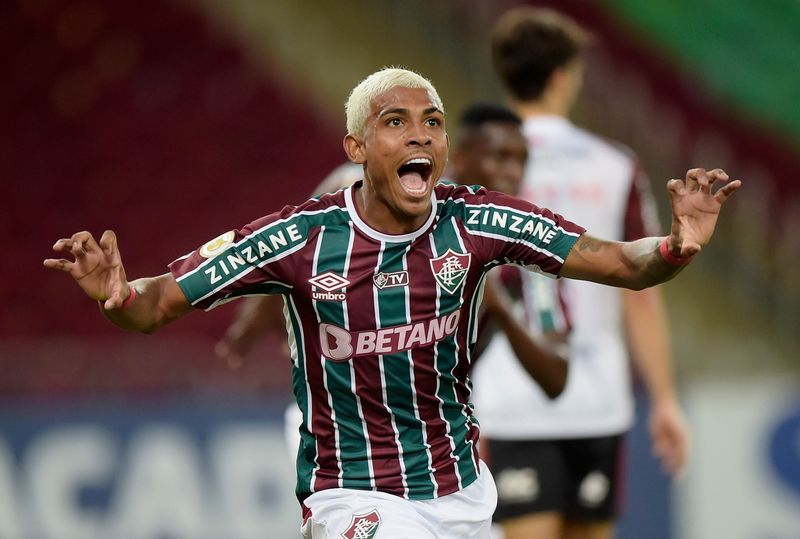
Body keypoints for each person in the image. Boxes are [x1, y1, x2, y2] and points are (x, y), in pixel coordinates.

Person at [44, 67, 740, 538]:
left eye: (432, 122)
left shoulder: (478, 220)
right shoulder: (299, 237)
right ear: (357, 146)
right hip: (351, 492)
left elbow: (621, 262)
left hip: (461, 492)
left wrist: (676, 246)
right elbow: (157, 303)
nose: (420, 134)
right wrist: (117, 296)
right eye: (396, 121)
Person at [216, 102, 568, 461]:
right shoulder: (402, 205)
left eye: (521, 161)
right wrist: (257, 314)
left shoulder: (521, 246)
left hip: (440, 431)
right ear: (459, 159)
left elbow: (556, 379)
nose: (513, 174)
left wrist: (500, 307)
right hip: (345, 422)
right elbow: (309, 224)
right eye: (500, 158)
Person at [472, 7, 692, 539]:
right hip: (598, 398)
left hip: (508, 398)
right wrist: (664, 398)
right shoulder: (615, 164)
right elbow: (640, 291)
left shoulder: (479, 163)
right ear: (561, 77)